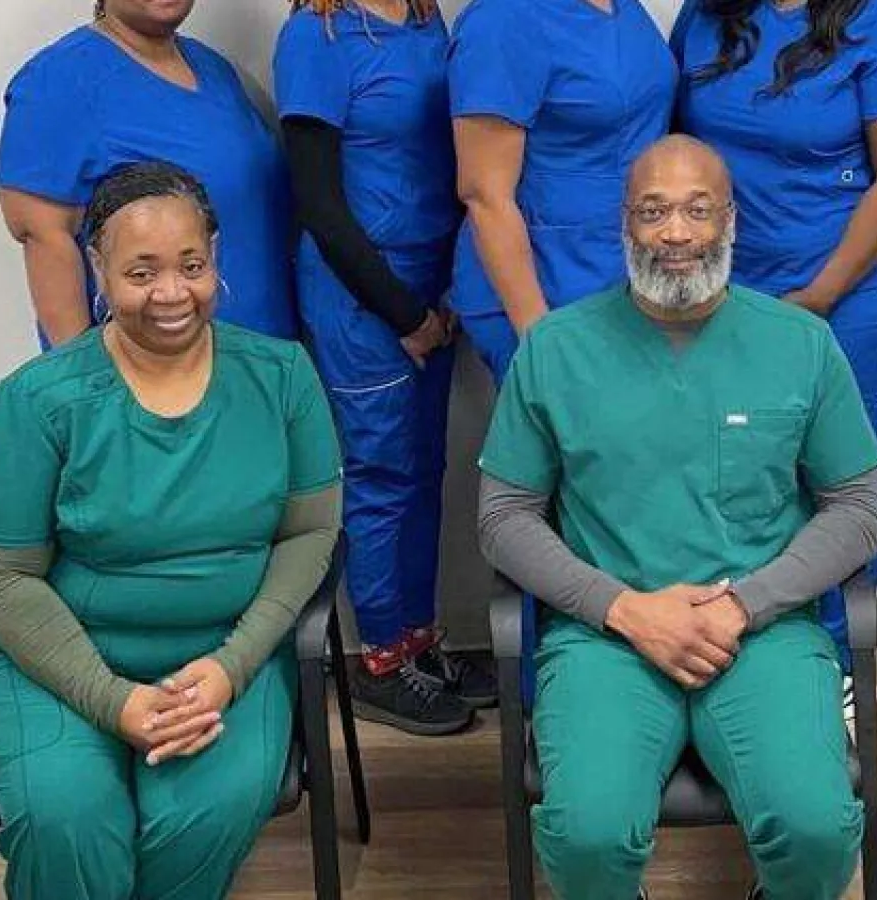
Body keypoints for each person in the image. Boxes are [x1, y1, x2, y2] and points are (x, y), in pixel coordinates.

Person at [477, 136, 877, 900]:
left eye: (698, 211)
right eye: (653, 212)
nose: (675, 233)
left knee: (817, 827)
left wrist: (743, 604)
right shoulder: (555, 350)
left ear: (731, 220)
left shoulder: (800, 344)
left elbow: (860, 509)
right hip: (607, 636)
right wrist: (623, 609)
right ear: (623, 225)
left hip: (761, 632)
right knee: (587, 834)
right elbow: (503, 518)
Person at [0, 162, 342, 899]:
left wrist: (233, 665)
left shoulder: (283, 377)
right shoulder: (41, 399)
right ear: (97, 267)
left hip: (223, 663)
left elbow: (310, 534)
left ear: (215, 258)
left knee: (203, 816)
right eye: (141, 271)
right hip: (56, 664)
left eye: (191, 265)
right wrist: (111, 698)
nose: (171, 293)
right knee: (69, 816)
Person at [671, 0, 877, 667]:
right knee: (733, 471)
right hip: (729, 287)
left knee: (836, 483)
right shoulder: (708, 13)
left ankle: (837, 664)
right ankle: (736, 650)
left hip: (848, 286)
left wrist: (818, 296)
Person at [275, 0, 493, 737]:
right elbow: (319, 203)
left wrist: (451, 291)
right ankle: (377, 661)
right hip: (362, 296)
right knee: (381, 475)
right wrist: (404, 313)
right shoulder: (319, 34)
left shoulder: (430, 20)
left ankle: (421, 641)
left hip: (436, 282)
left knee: (426, 469)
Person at [0, 0, 297, 346]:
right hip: (158, 375)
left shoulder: (213, 68)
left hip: (266, 358)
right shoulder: (57, 83)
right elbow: (44, 238)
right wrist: (85, 384)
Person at [447, 0, 676, 381]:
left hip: (620, 276)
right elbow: (484, 195)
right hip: (545, 287)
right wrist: (540, 340)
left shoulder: (622, 9)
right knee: (571, 432)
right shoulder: (502, 20)